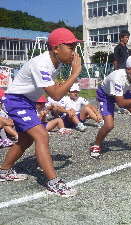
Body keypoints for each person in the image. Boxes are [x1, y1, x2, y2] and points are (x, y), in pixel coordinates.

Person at [0, 28, 82, 197]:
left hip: (26, 101)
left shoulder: (56, 62)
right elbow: (56, 94)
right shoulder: (41, 63)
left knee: (25, 140)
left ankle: (4, 171)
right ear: (56, 48)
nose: (74, 53)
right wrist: (74, 75)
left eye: (74, 48)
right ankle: (53, 183)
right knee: (42, 135)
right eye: (70, 47)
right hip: (16, 100)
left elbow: (54, 91)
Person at [113, 30, 131, 115]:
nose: (127, 39)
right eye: (126, 37)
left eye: (128, 37)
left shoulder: (126, 48)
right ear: (121, 38)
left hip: (126, 70)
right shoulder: (118, 48)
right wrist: (116, 71)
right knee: (119, 89)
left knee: (125, 88)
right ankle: (121, 107)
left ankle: (124, 105)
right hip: (120, 70)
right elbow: (115, 60)